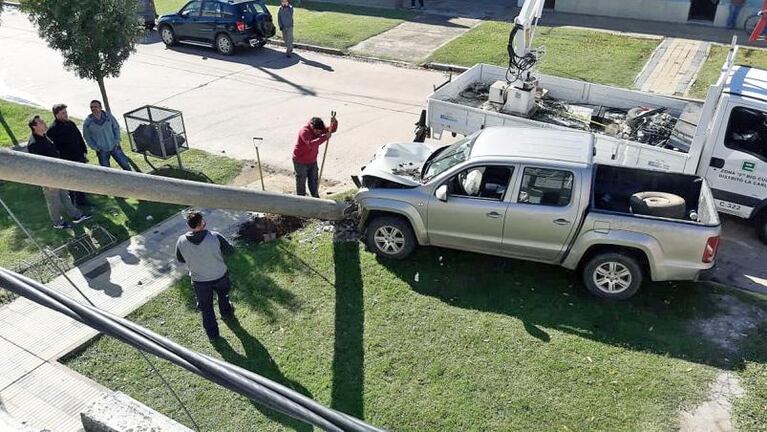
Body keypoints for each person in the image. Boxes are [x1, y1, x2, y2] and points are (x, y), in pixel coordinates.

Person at [175, 210, 236, 341]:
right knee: (223, 296)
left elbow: (180, 259)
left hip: (199, 281)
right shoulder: (215, 236)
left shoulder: (180, 241)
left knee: (206, 308)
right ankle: (226, 312)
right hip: (220, 276)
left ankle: (213, 335)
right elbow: (231, 251)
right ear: (202, 222)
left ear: (189, 225)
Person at [27, 116, 92, 229]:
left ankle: (76, 215)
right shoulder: (34, 144)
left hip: (58, 174)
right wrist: (48, 182)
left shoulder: (44, 136)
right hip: (49, 178)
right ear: (34, 126)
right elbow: (37, 166)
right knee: (54, 201)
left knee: (65, 196)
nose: (44, 122)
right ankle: (57, 223)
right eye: (41, 122)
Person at [47, 104, 91, 207]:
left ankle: (82, 201)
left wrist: (84, 151)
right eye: (63, 113)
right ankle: (71, 204)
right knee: (71, 182)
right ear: (56, 115)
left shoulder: (70, 123)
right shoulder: (53, 129)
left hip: (79, 156)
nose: (66, 114)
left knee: (81, 180)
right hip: (67, 160)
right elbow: (54, 148)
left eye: (66, 112)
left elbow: (79, 137)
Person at [292, 116, 338, 198]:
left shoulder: (318, 129)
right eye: (317, 131)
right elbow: (311, 144)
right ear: (313, 127)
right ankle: (301, 199)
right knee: (301, 181)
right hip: (300, 161)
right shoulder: (304, 132)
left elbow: (331, 130)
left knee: (313, 180)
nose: (318, 133)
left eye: (320, 131)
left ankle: (315, 197)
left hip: (312, 161)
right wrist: (324, 137)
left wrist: (334, 123)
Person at [82, 100, 132, 171]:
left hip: (114, 146)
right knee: (106, 170)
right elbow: (87, 137)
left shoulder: (108, 116)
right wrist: (95, 147)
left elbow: (116, 127)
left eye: (95, 107)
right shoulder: (87, 122)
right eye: (91, 107)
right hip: (102, 150)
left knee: (125, 165)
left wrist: (117, 140)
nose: (93, 109)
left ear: (100, 107)